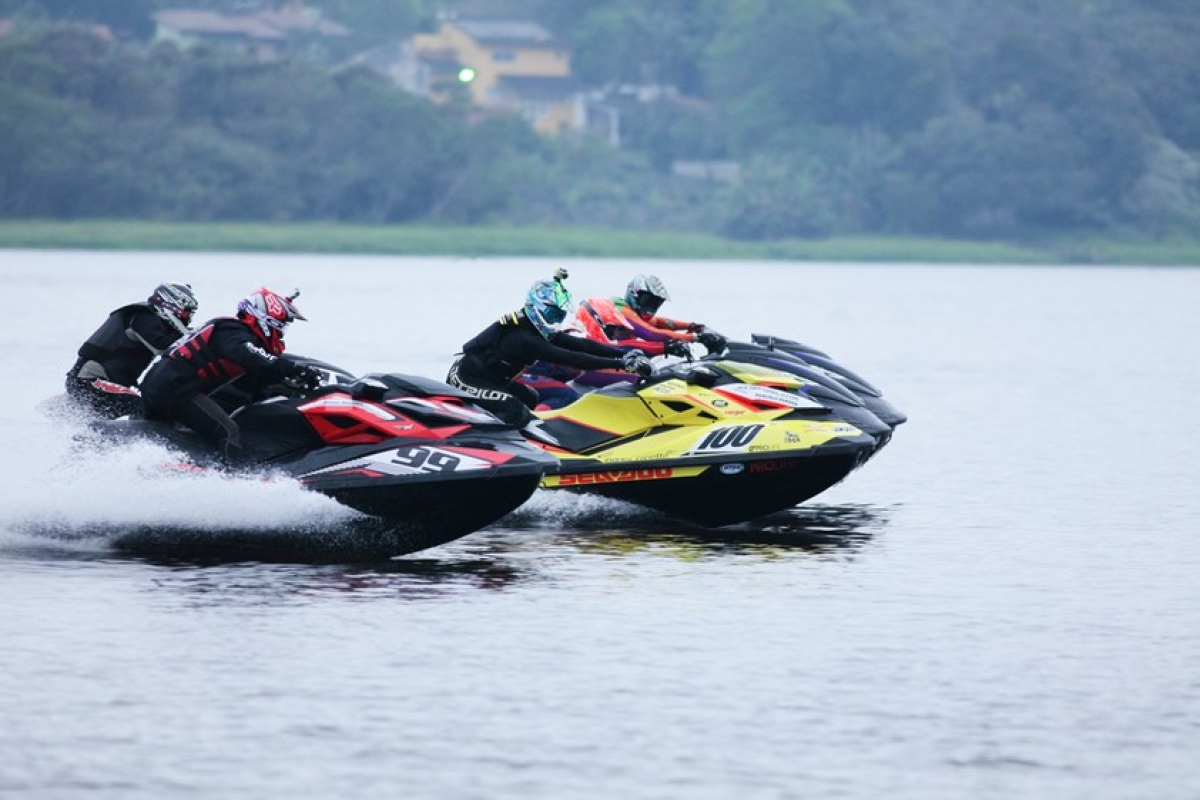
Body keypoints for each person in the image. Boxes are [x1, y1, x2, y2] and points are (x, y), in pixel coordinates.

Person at [139, 287, 321, 463]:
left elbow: (249, 382)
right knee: (229, 432)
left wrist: (289, 383)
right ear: (264, 319)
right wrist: (294, 368)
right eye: (281, 327)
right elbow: (250, 356)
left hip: (160, 386)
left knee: (187, 429)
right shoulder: (232, 330)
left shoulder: (233, 333)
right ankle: (234, 478)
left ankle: (184, 469)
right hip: (173, 389)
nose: (281, 334)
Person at [447, 271, 651, 426]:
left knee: (531, 398)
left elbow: (580, 344)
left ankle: (522, 444)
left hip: (491, 378)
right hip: (465, 377)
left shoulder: (534, 328)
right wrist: (622, 364)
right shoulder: (525, 338)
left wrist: (623, 353)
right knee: (516, 412)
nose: (555, 321)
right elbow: (573, 358)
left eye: (559, 316)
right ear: (538, 307)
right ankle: (487, 448)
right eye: (553, 314)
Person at [65, 282, 199, 418]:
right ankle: (141, 434)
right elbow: (163, 346)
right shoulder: (142, 317)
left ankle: (105, 430)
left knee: (144, 404)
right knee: (142, 406)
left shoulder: (151, 320)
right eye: (186, 313)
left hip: (96, 381)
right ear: (170, 305)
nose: (187, 319)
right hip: (89, 380)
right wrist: (195, 338)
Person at [612, 274, 726, 356]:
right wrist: (695, 337)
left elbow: (657, 322)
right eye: (647, 301)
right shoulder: (621, 309)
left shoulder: (633, 314)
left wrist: (691, 326)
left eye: (654, 303)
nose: (649, 307)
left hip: (612, 355)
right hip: (604, 357)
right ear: (633, 294)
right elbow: (652, 334)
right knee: (640, 350)